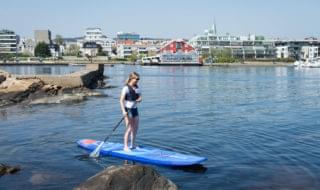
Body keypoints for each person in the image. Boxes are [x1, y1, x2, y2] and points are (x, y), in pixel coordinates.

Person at [120, 72, 142, 152]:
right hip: (128, 109)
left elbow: (140, 96)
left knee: (135, 127)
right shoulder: (125, 88)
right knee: (129, 128)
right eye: (136, 79)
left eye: (138, 79)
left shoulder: (137, 87)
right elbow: (121, 100)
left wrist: (140, 99)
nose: (137, 80)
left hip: (135, 109)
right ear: (131, 78)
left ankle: (133, 144)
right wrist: (123, 111)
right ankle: (125, 146)